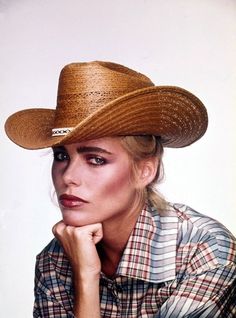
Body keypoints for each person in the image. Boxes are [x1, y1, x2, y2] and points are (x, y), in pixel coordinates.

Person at [5, 61, 236, 318]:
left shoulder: (205, 253)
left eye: (96, 159)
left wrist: (85, 275)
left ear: (144, 171)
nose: (68, 176)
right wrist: (86, 275)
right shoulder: (55, 261)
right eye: (61, 155)